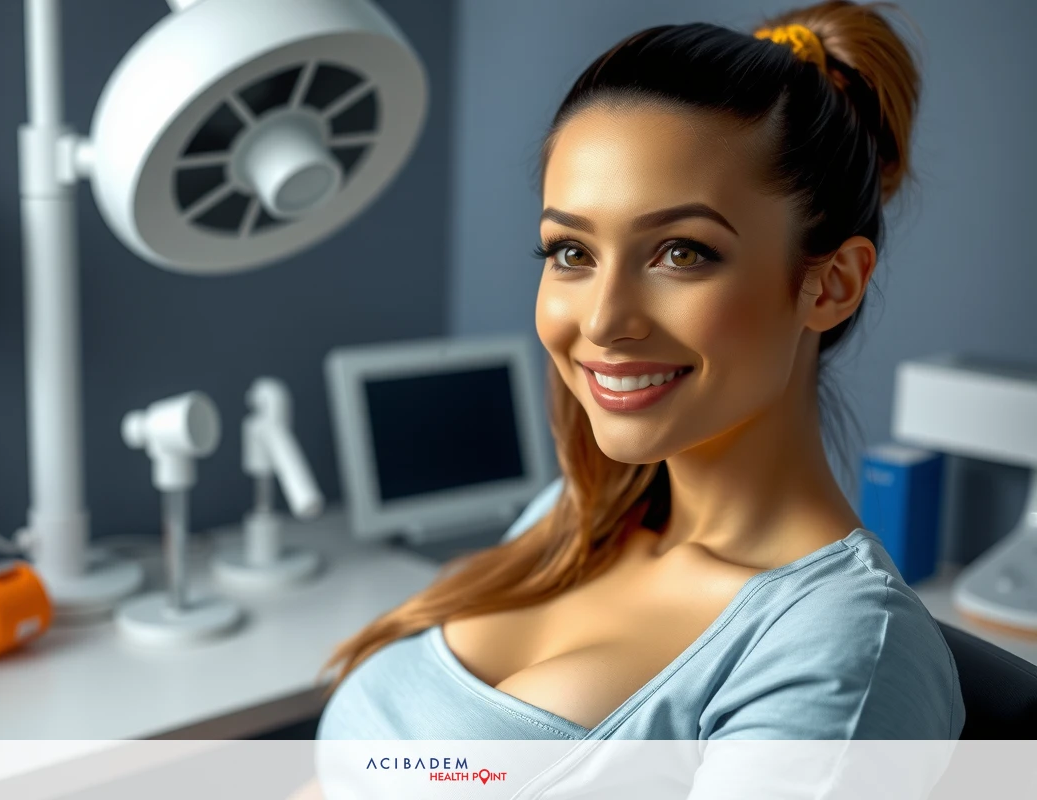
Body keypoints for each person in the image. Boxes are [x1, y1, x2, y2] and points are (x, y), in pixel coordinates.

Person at [315, 0, 964, 744]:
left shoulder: (842, 652)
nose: (601, 321)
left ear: (832, 284)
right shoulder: (569, 516)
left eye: (681, 253)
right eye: (572, 253)